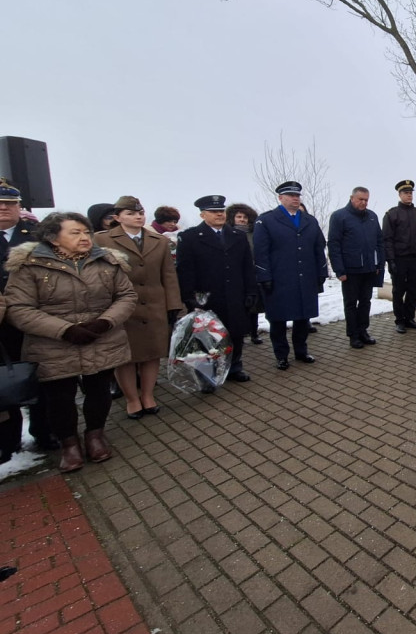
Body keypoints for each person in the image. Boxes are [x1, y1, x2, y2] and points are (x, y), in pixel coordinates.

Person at [4, 212, 137, 472]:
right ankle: (69, 444)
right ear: (53, 238)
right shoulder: (29, 266)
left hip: (101, 337)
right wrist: (65, 330)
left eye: (86, 232)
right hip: (53, 343)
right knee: (60, 397)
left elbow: (126, 296)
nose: (84, 237)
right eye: (74, 233)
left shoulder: (106, 261)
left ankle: (95, 435)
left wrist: (104, 322)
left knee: (99, 391)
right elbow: (18, 308)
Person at [94, 196, 182, 419]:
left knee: (153, 353)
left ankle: (148, 395)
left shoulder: (158, 240)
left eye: (140, 213)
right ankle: (132, 399)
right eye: (130, 213)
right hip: (121, 307)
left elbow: (168, 275)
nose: (137, 216)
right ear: (117, 217)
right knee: (126, 356)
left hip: (154, 304)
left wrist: (173, 304)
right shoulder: (102, 240)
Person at [0, 178, 57, 461]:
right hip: (1, 325)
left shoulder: (36, 234)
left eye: (10, 203)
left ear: (19, 206)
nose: (4, 208)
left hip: (37, 317)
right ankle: (8, 441)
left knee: (42, 377)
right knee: (4, 381)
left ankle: (44, 431)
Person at [176, 195, 257, 386]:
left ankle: (234, 367)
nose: (219, 214)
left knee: (235, 333)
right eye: (213, 212)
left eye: (221, 211)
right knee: (207, 337)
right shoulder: (190, 237)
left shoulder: (237, 236)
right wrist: (191, 298)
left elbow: (247, 266)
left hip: (235, 294)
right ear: (203, 214)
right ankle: (207, 374)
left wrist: (251, 291)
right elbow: (185, 271)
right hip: (207, 297)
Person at [253, 182, 328, 370]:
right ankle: (281, 355)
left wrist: (321, 272)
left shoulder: (309, 220)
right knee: (278, 320)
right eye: (290, 195)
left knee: (303, 318)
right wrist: (264, 277)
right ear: (280, 198)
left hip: (305, 278)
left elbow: (319, 248)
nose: (295, 198)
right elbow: (261, 252)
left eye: (297, 196)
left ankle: (301, 351)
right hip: (279, 280)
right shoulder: (267, 220)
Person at [328, 187, 384, 349]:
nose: (364, 202)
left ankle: (363, 331)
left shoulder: (372, 217)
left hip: (369, 269)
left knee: (366, 302)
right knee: (351, 303)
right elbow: (334, 244)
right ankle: (353, 335)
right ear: (352, 198)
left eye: (366, 199)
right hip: (350, 270)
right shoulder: (339, 217)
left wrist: (379, 264)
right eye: (360, 199)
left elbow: (379, 242)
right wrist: (339, 270)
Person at [382, 179, 416, 333]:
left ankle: (409, 318)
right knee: (398, 291)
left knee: (413, 290)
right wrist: (390, 260)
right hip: (399, 259)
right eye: (406, 193)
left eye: (411, 193)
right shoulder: (392, 214)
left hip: (414, 260)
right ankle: (400, 320)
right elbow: (387, 239)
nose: (409, 195)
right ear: (399, 194)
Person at [227, 202, 264, 345]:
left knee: (253, 305)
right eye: (239, 216)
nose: (242, 219)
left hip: (252, 273)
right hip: (236, 276)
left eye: (245, 217)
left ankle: (254, 332)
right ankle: (239, 334)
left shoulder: (254, 234)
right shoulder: (228, 233)